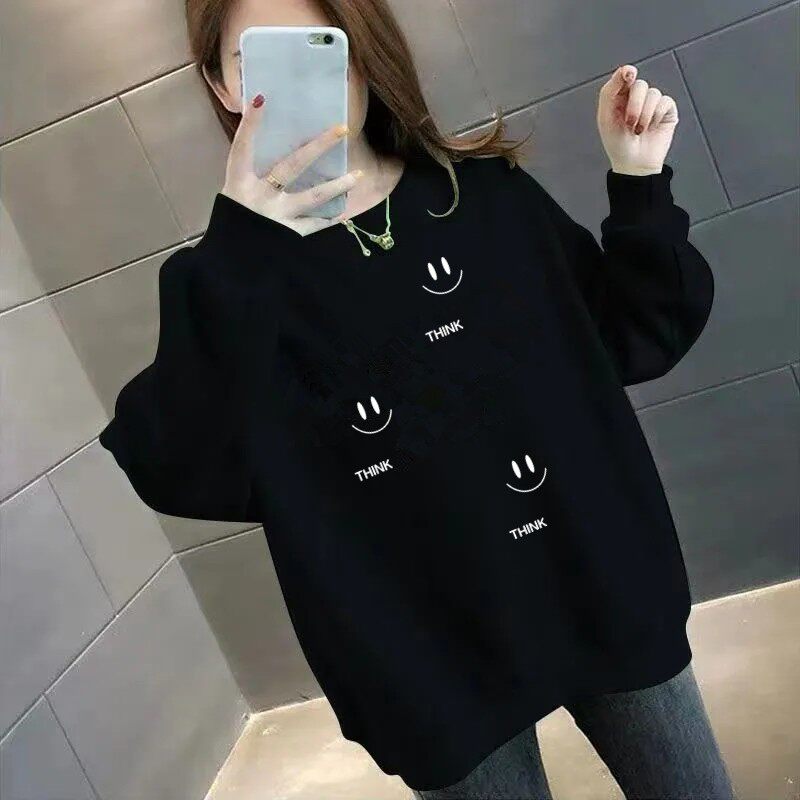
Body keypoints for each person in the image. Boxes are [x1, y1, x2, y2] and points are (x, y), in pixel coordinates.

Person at [98, 0, 738, 797]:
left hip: (599, 584)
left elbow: (636, 336)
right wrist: (238, 254)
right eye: (261, 58)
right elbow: (179, 466)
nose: (310, 80)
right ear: (222, 85)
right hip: (428, 666)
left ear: (368, 52)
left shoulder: (485, 198)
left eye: (327, 46)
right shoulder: (227, 286)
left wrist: (638, 182)